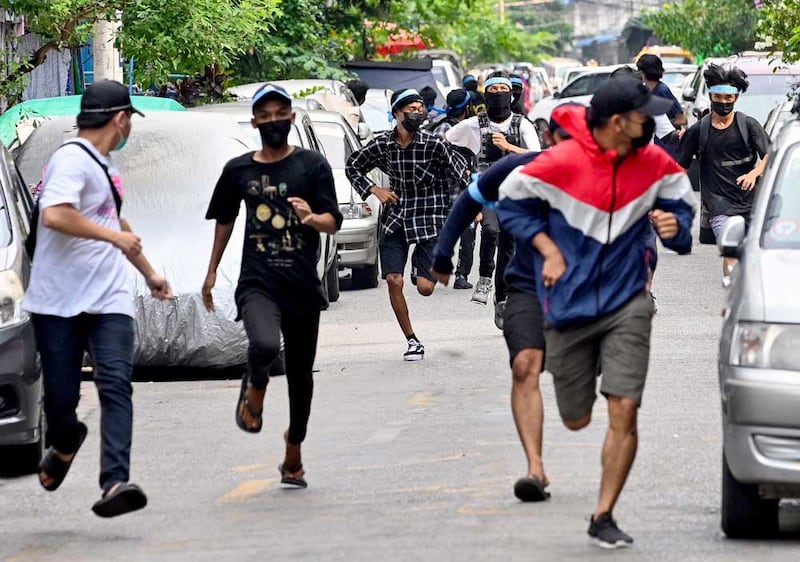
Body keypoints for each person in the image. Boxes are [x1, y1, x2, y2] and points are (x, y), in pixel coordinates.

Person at [498, 76, 695, 548]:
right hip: (568, 307)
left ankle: (603, 513)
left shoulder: (656, 165)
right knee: (576, 419)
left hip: (628, 302)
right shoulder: (561, 162)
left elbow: (684, 224)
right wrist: (547, 248)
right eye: (643, 115)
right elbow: (509, 202)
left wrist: (675, 227)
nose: (652, 123)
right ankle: (585, 386)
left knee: (624, 408)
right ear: (617, 122)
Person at [23, 80, 173, 518]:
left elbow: (115, 220)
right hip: (60, 301)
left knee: (115, 386)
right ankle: (66, 441)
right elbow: (55, 214)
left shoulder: (106, 165)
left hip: (110, 298)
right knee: (61, 403)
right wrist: (112, 237)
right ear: (121, 118)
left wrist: (149, 273)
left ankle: (115, 482)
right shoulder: (70, 159)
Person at [203, 83, 342, 488]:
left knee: (301, 377)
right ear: (254, 122)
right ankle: (256, 387)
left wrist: (311, 218)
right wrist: (211, 270)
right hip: (258, 281)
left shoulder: (312, 166)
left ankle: (293, 453)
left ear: (292, 118)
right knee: (263, 345)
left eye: (280, 113)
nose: (273, 121)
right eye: (264, 116)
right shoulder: (239, 170)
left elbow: (333, 220)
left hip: (300, 284)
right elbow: (224, 219)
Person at [433, 111, 573, 503]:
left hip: (580, 294)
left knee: (576, 405)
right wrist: (443, 255)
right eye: (562, 140)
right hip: (526, 287)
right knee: (524, 365)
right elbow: (469, 200)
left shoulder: (602, 176)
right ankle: (535, 469)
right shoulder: (518, 168)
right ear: (550, 140)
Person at [346, 88, 469, 361]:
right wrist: (374, 190)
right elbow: (353, 166)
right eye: (411, 109)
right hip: (397, 218)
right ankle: (412, 339)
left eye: (420, 108)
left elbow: (461, 172)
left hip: (430, 217)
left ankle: (421, 269)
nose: (417, 113)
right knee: (393, 280)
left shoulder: (433, 144)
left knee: (425, 288)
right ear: (396, 114)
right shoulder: (382, 145)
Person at [446, 72, 541, 327]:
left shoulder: (522, 125)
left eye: (503, 89)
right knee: (490, 229)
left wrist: (510, 147)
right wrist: (464, 170)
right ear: (486, 94)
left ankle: (503, 299)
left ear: (511, 95)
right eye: (493, 89)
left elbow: (537, 157)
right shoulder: (474, 124)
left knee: (508, 247)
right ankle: (485, 276)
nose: (498, 93)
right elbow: (446, 142)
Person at [677, 63, 770, 286]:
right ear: (710, 96)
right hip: (718, 207)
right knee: (731, 250)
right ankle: (737, 289)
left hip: (751, 204)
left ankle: (736, 291)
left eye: (729, 98)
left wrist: (754, 173)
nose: (724, 103)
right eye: (718, 97)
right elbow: (679, 169)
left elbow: (769, 156)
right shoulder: (699, 130)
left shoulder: (749, 125)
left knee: (751, 253)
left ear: (736, 98)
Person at [429, 89, 478, 290]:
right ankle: (461, 275)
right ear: (467, 107)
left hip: (441, 193)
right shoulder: (462, 129)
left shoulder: (438, 127)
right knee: (467, 235)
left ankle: (430, 270)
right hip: (459, 191)